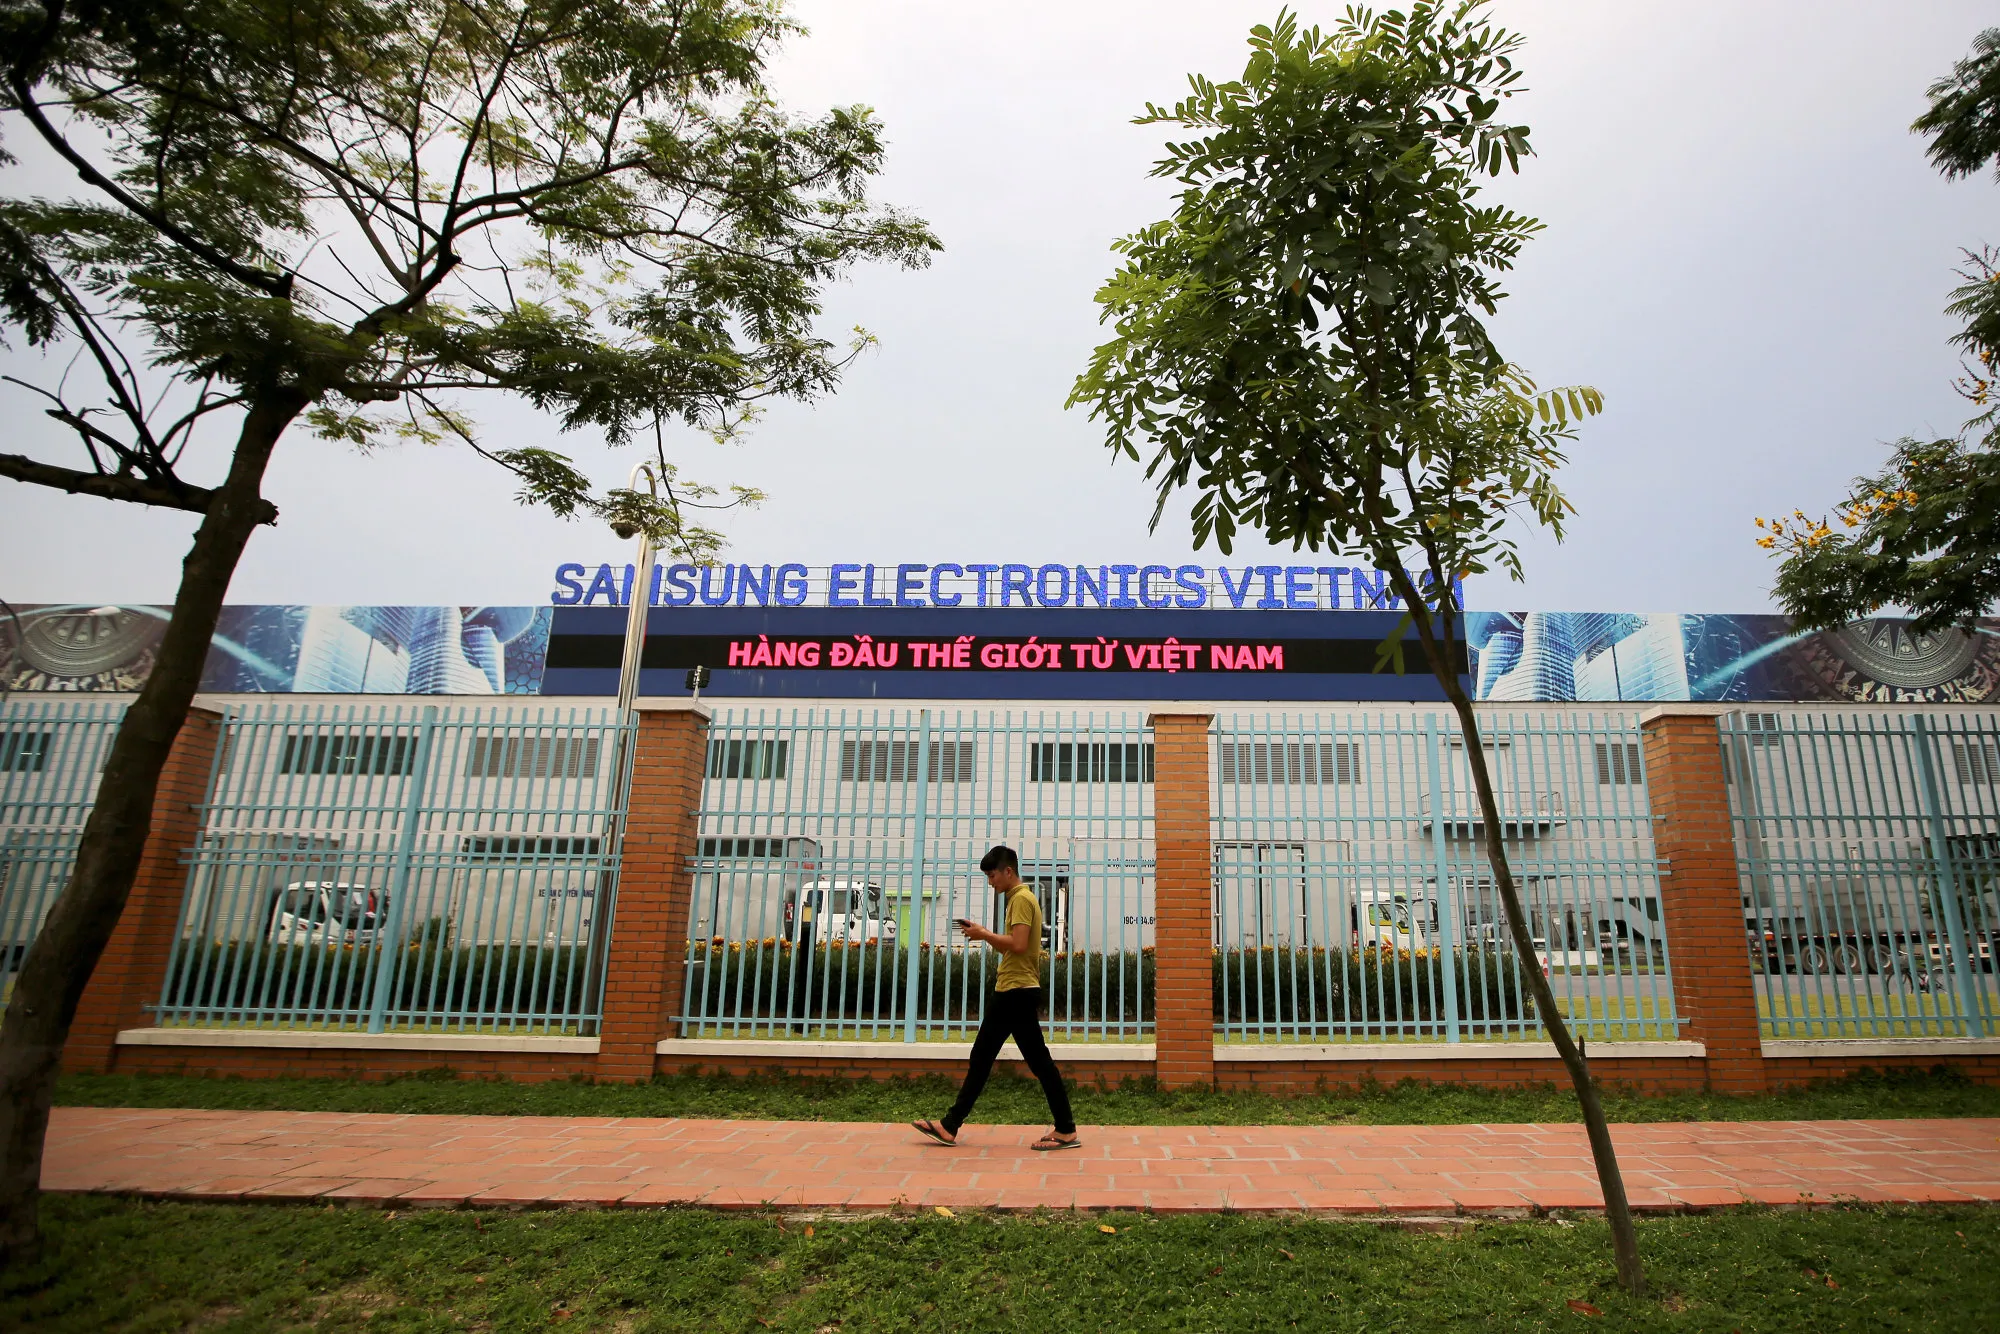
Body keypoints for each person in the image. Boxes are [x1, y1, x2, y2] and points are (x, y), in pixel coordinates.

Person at [913, 845, 1078, 1150]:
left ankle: (951, 1126)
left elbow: (1017, 944)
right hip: (1016, 989)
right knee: (1019, 1059)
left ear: (1008, 871)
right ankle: (1064, 1127)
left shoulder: (1020, 899)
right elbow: (1018, 946)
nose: (991, 882)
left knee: (995, 1058)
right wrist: (986, 935)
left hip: (1016, 991)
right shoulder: (1022, 899)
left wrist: (983, 934)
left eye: (992, 876)